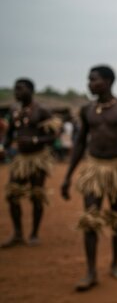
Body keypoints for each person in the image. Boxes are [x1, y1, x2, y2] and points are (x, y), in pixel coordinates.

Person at [60, 65, 117, 291]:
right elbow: (79, 143)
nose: (89, 83)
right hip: (94, 169)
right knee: (90, 219)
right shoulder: (87, 110)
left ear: (107, 82)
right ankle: (91, 271)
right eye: (89, 79)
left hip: (116, 169)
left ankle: (115, 262)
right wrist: (68, 176)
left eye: (93, 80)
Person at [1, 78, 60, 248]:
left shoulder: (42, 111)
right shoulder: (14, 111)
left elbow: (54, 136)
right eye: (15, 89)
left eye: (20, 89)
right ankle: (18, 233)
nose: (16, 93)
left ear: (30, 90)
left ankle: (34, 233)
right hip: (21, 159)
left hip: (37, 159)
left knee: (36, 196)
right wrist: (2, 147)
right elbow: (9, 135)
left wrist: (35, 140)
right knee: (12, 195)